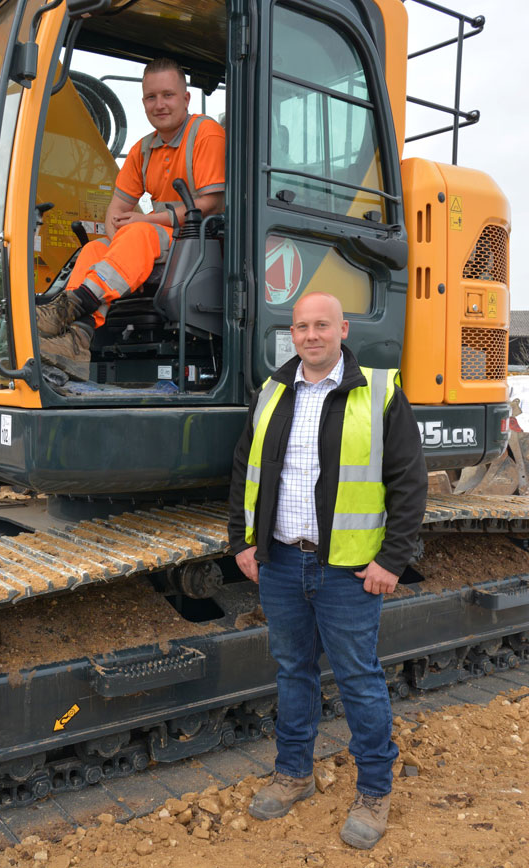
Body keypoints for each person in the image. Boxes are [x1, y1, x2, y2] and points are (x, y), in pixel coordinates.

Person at [228, 292, 427, 850]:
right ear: (290, 334)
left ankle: (374, 790)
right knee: (293, 671)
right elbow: (244, 467)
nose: (311, 335)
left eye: (322, 325)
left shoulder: (381, 391)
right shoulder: (271, 392)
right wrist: (243, 541)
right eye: (301, 327)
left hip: (346, 567)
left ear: (342, 329)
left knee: (358, 677)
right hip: (283, 559)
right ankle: (293, 774)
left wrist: (393, 559)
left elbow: (409, 483)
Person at [37, 58, 225, 381]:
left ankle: (70, 307)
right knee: (95, 250)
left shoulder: (206, 134)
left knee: (139, 234)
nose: (159, 104)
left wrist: (144, 223)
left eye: (168, 95)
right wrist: (116, 235)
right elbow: (116, 209)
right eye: (151, 97)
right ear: (143, 102)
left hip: (200, 242)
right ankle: (79, 340)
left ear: (185, 99)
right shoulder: (143, 150)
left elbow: (210, 203)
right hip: (163, 242)